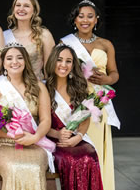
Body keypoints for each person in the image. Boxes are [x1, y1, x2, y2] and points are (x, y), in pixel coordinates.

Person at [60, 0, 120, 190]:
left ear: (96, 20)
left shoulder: (106, 44)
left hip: (98, 103)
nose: (85, 20)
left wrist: (106, 81)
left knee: (97, 149)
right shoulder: (65, 42)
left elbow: (115, 74)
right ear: (75, 19)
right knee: (79, 149)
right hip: (75, 101)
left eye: (90, 16)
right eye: (81, 16)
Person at [0, 42, 55, 190]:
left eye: (19, 58)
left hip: (34, 142)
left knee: (34, 167)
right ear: (4, 63)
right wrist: (13, 136)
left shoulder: (39, 86)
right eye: (9, 58)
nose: (14, 62)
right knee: (14, 167)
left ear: (25, 61)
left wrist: (35, 137)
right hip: (2, 142)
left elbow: (46, 119)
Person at [45, 45, 103, 190]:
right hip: (52, 138)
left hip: (76, 137)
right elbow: (39, 122)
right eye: (59, 60)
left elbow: (85, 117)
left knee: (90, 157)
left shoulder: (78, 87)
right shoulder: (43, 88)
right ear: (53, 62)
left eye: (68, 61)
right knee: (70, 160)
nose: (63, 65)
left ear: (73, 65)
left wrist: (78, 137)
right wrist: (57, 134)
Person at [3, 0, 55, 80]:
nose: (21, 9)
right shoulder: (4, 36)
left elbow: (50, 71)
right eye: (18, 5)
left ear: (34, 11)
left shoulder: (44, 35)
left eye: (26, 6)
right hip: (10, 91)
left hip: (36, 89)